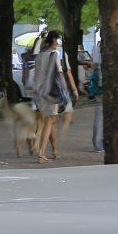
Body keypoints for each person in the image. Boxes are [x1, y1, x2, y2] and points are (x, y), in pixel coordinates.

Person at [29, 31, 77, 162]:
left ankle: (53, 150)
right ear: (54, 40)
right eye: (57, 40)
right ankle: (41, 152)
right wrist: (66, 91)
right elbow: (60, 74)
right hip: (51, 92)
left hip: (40, 93)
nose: (58, 43)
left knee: (49, 120)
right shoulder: (54, 55)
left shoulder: (39, 56)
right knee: (49, 121)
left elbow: (36, 75)